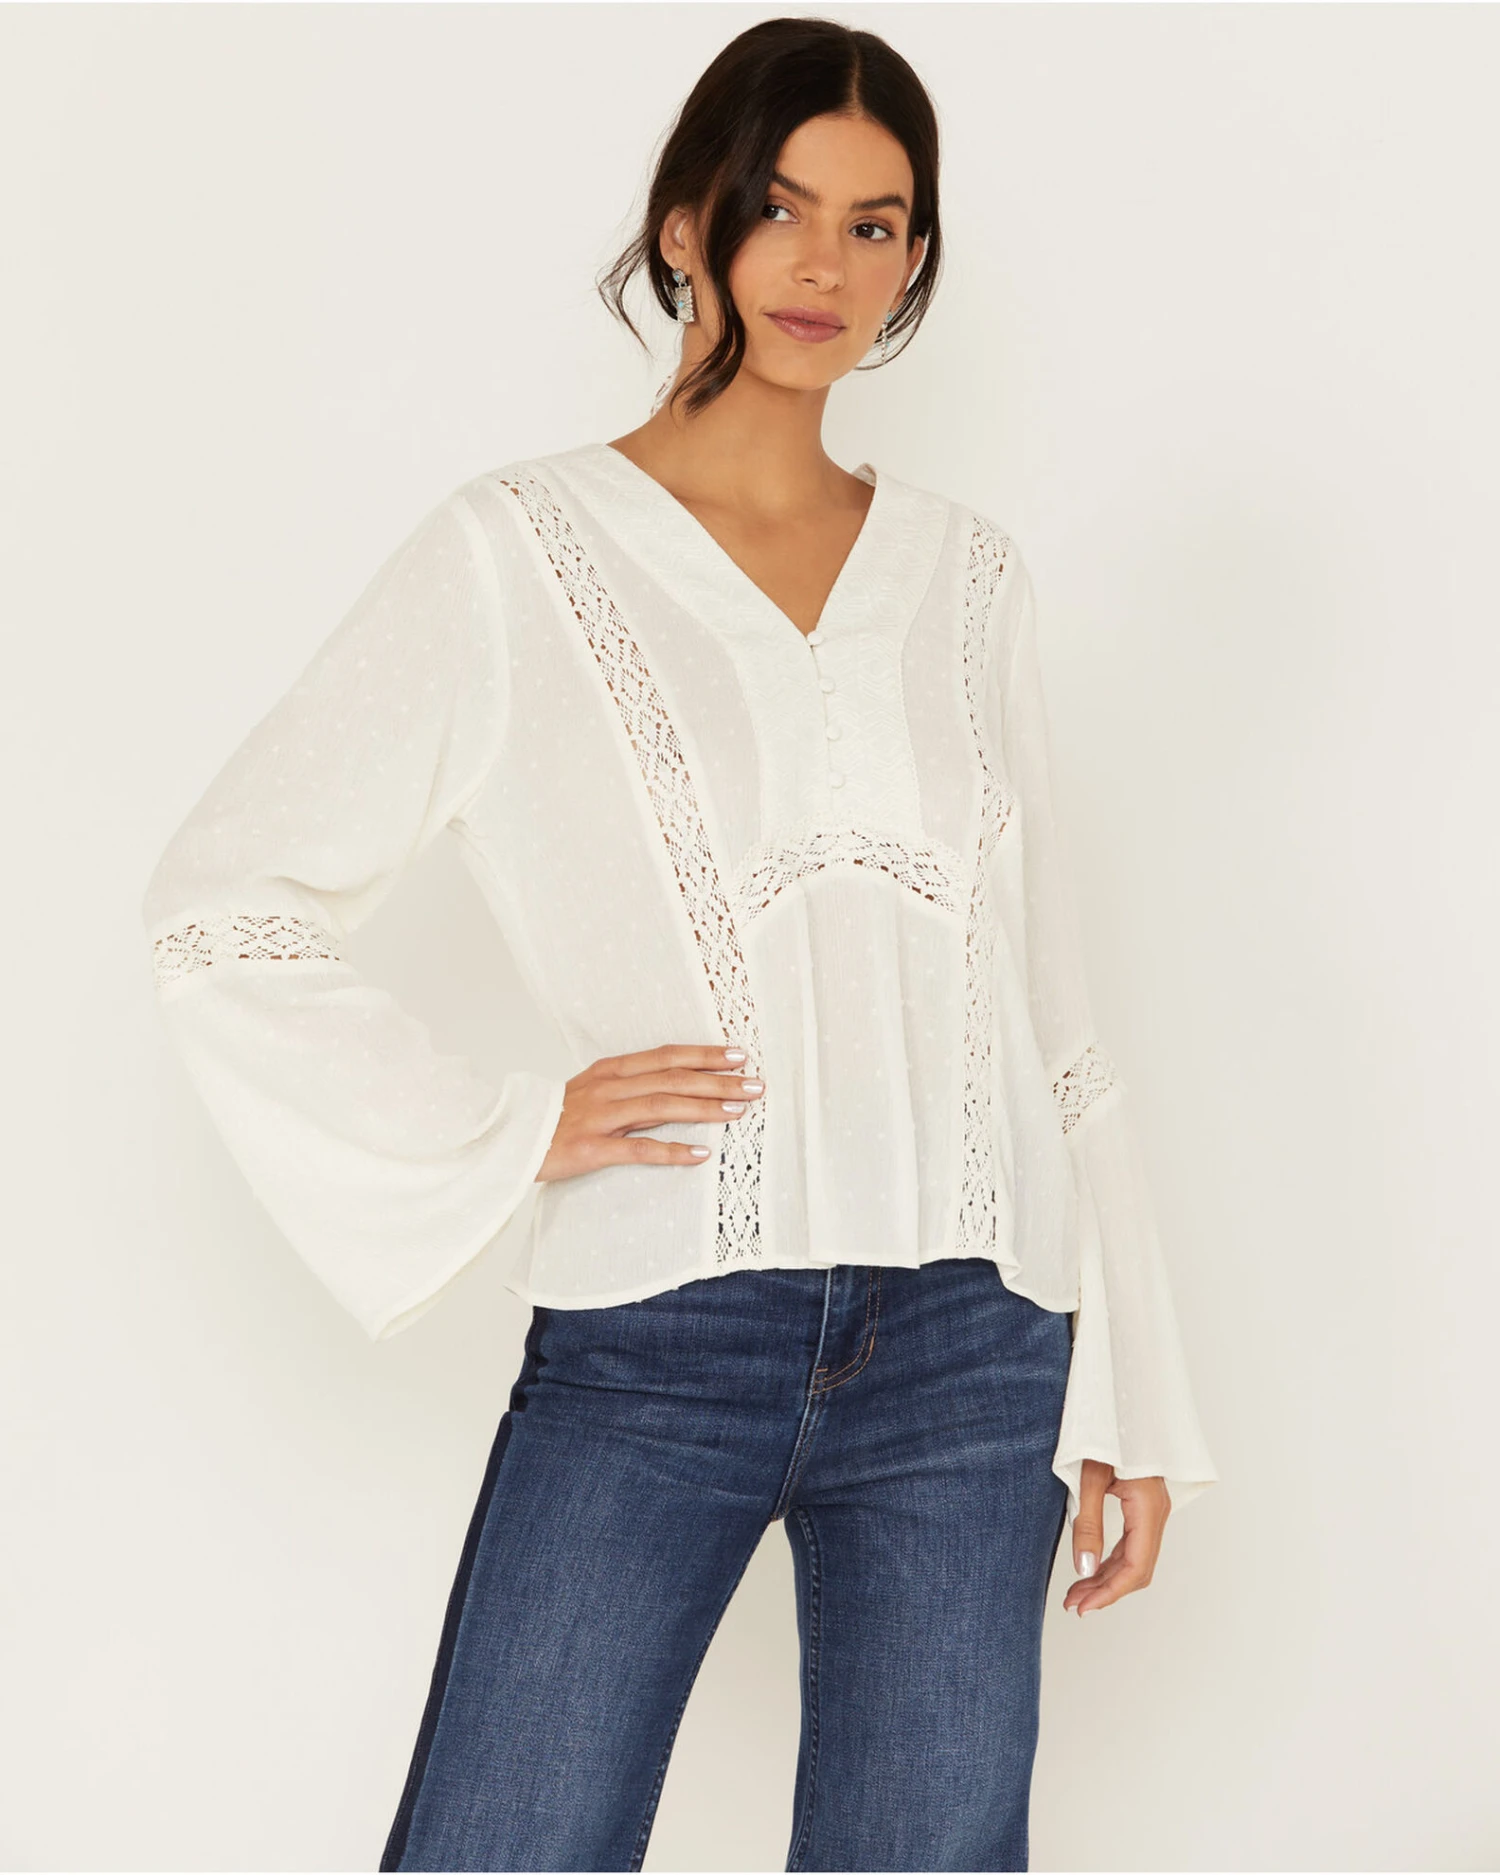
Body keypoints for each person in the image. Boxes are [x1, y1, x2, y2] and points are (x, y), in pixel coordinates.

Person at [141, 16, 1217, 1873]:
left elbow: (1045, 1006)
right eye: (781, 207)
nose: (825, 265)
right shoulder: (520, 551)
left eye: (877, 225)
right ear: (685, 227)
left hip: (977, 1343)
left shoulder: (970, 578)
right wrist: (511, 1126)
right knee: (506, 1841)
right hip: (663, 1333)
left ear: (914, 260)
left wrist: (1131, 1381)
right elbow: (222, 903)